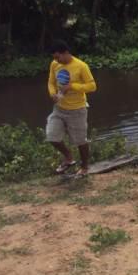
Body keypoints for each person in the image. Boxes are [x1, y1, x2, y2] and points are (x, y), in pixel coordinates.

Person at [46, 39, 97, 176]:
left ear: (66, 53)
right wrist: (52, 94)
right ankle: (69, 157)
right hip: (59, 108)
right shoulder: (54, 64)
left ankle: (85, 167)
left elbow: (92, 86)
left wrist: (72, 86)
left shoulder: (81, 66)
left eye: (58, 57)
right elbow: (51, 82)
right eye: (54, 58)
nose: (56, 60)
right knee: (52, 136)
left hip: (77, 109)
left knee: (80, 140)